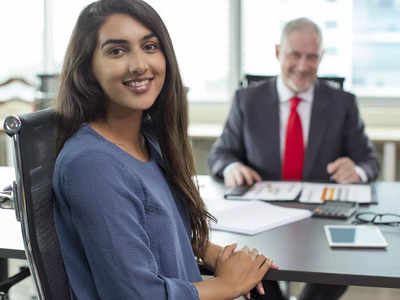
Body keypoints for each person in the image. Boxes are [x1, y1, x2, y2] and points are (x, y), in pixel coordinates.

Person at [52, 1, 278, 299]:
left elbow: (156, 231)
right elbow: (135, 295)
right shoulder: (93, 165)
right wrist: (227, 285)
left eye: (150, 46)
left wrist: (211, 253)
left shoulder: (148, 140)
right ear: (88, 67)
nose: (139, 65)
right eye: (117, 51)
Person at [209, 17, 379, 300]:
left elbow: (369, 160)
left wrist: (357, 171)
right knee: (258, 276)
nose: (302, 66)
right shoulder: (246, 100)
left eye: (311, 57)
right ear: (278, 52)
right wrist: (232, 166)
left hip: (322, 219)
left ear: (321, 58)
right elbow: (220, 153)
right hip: (261, 219)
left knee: (340, 269)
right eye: (294, 55)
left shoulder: (343, 103)